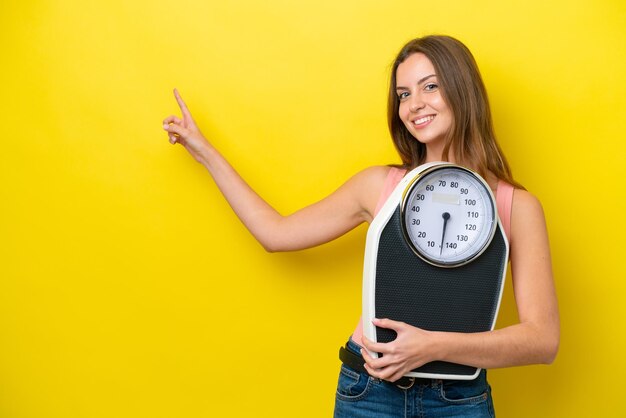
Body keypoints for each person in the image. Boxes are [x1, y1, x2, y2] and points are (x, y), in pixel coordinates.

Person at [162, 35, 559, 418]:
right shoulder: (379, 186)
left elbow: (543, 340)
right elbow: (275, 234)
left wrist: (431, 346)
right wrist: (205, 152)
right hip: (370, 392)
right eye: (403, 94)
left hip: (459, 399)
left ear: (463, 90)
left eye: (430, 87)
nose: (413, 105)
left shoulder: (515, 206)